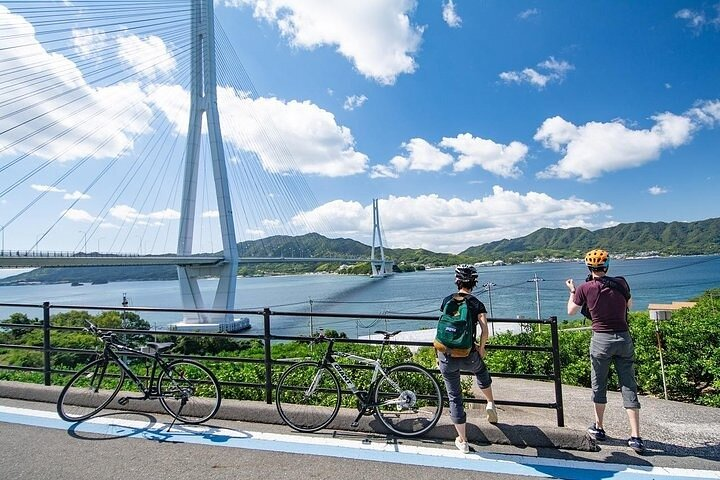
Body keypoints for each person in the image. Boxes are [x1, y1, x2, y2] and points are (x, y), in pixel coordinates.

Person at [565, 249, 644, 454]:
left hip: (601, 340)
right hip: (623, 338)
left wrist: (573, 291)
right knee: (628, 384)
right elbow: (630, 306)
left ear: (589, 268)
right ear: (607, 266)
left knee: (599, 384)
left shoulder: (584, 288)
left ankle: (599, 428)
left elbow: (571, 311)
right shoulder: (621, 283)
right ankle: (635, 437)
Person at [437, 264, 497, 454]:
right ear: (474, 283)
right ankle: (490, 402)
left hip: (446, 353)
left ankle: (462, 440)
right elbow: (485, 329)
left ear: (457, 281)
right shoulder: (476, 303)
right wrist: (481, 348)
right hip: (467, 353)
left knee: (455, 396)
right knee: (481, 371)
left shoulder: (448, 300)